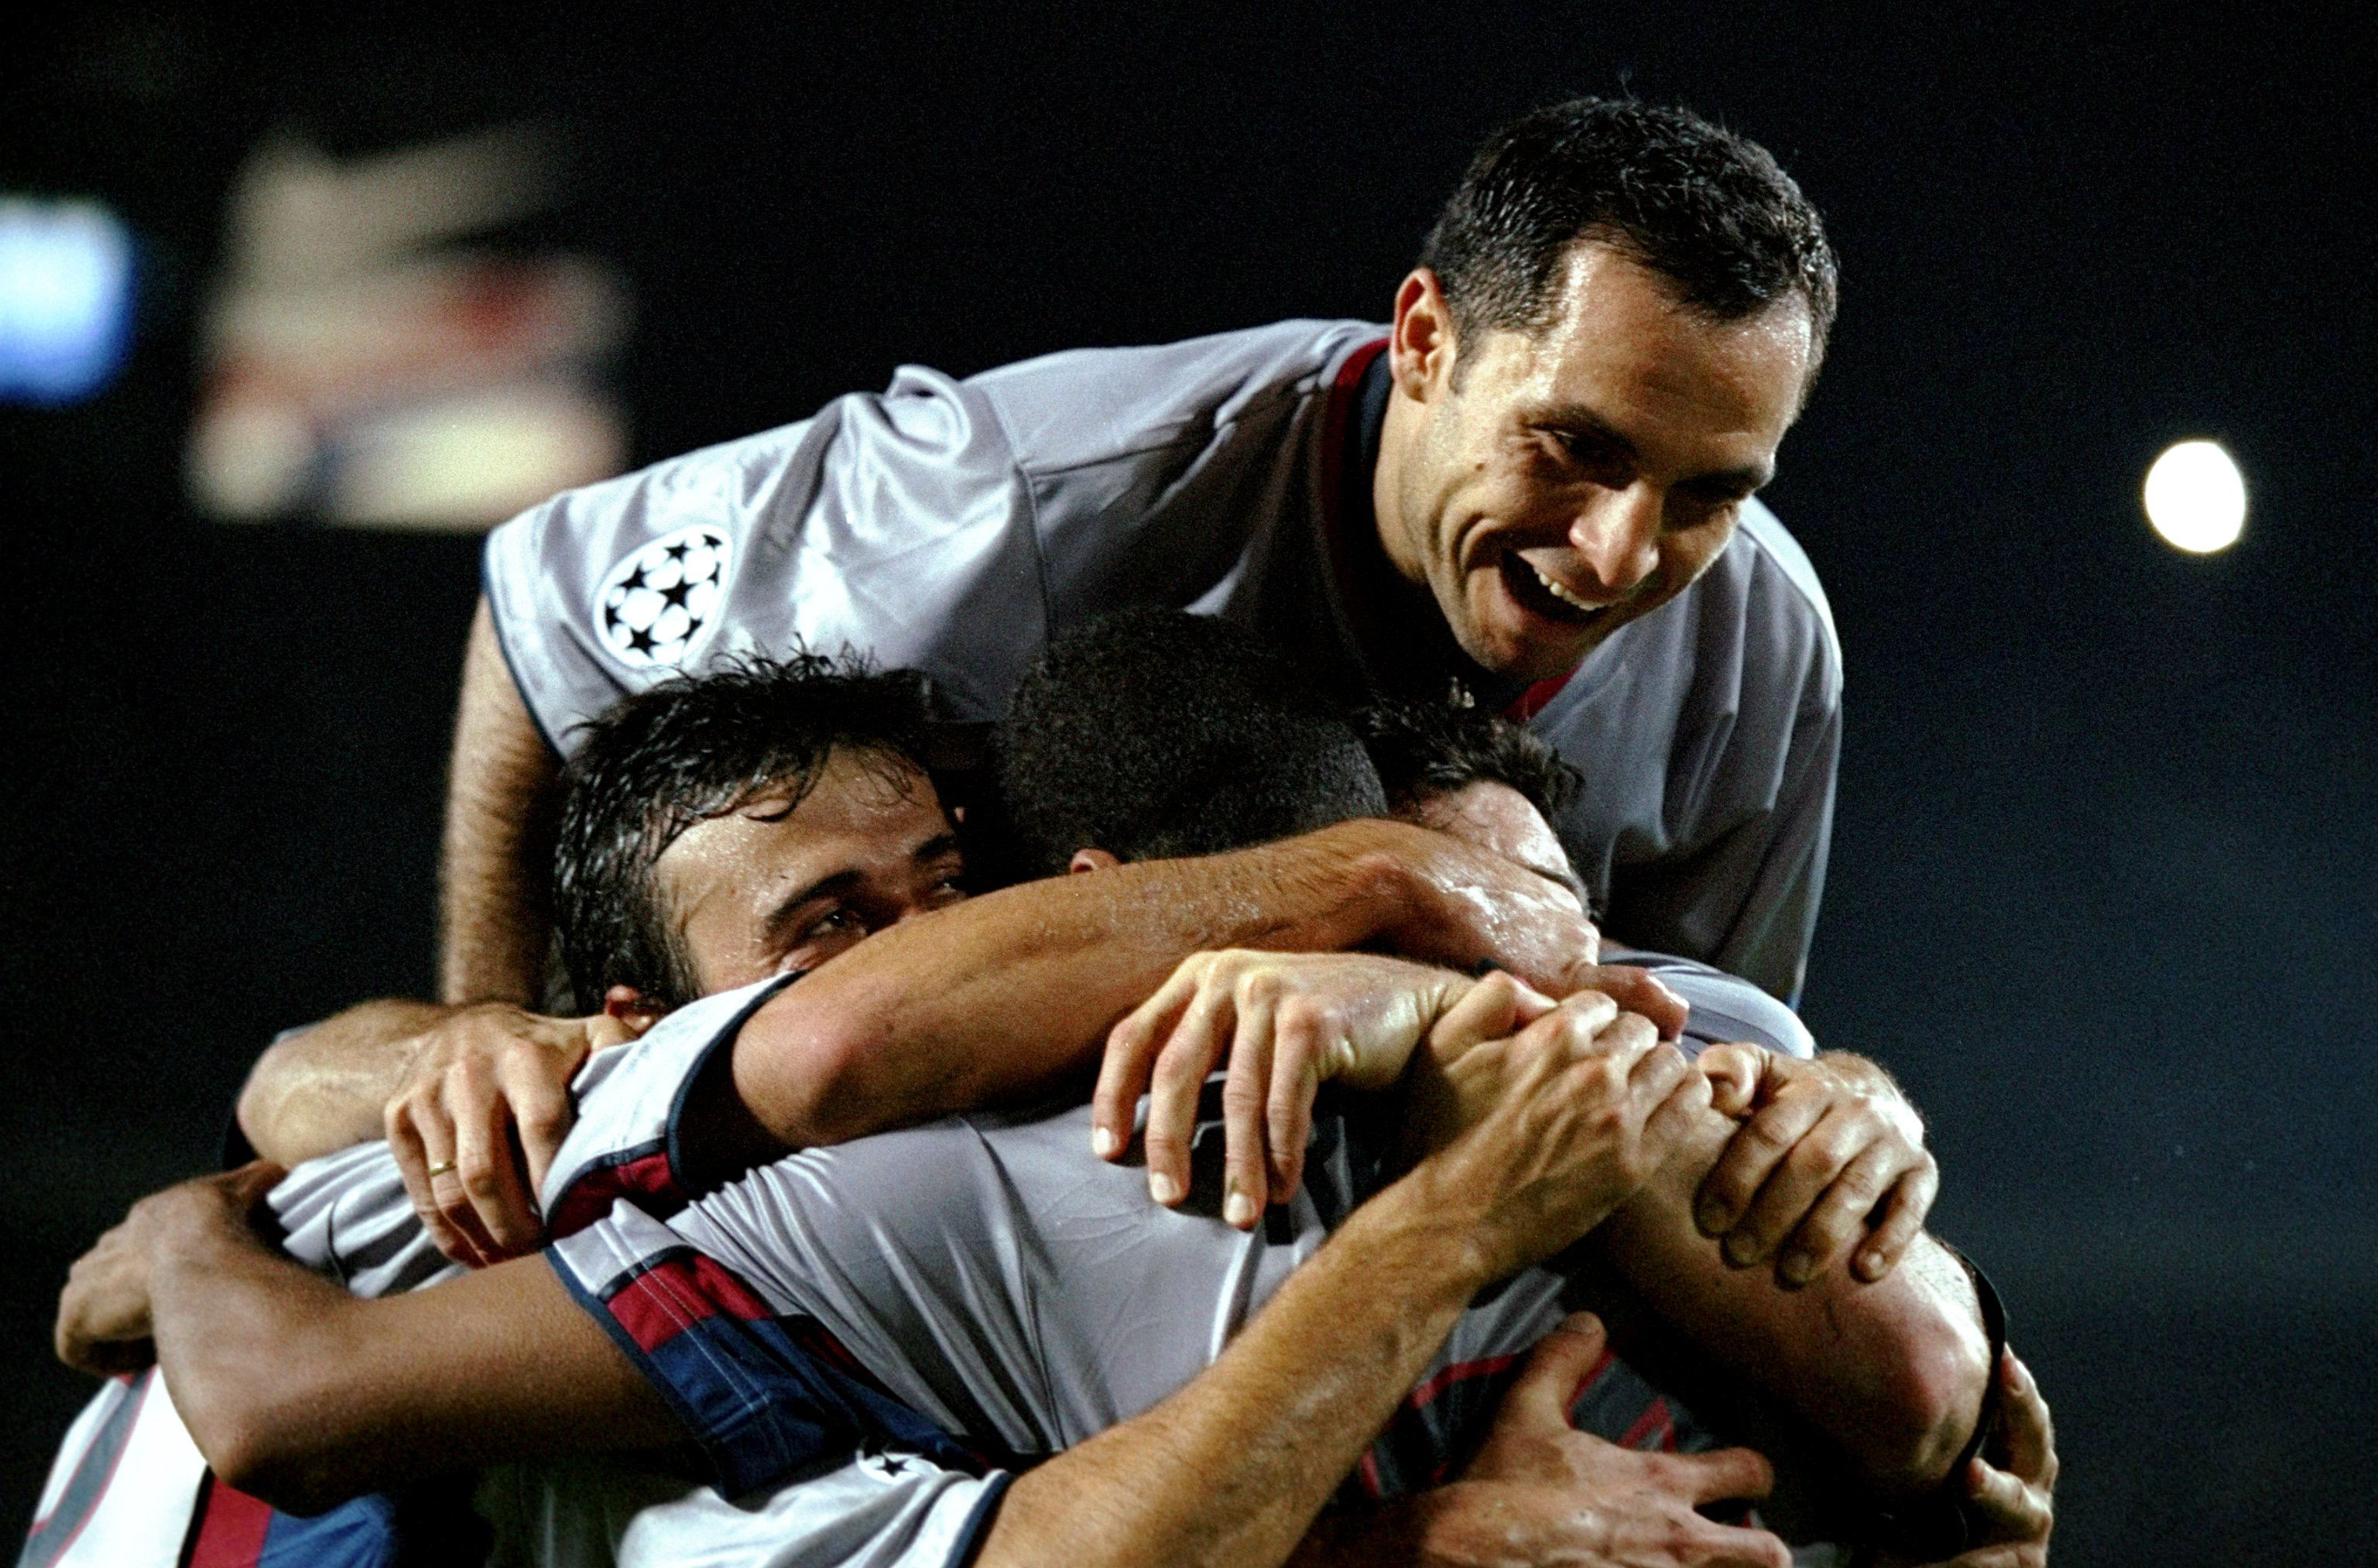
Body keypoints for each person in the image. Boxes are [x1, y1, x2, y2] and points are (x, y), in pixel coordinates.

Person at [53, 621, 2044, 1566]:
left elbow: (1921, 1394)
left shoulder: (1576, 1037)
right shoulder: (763, 1148)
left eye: (950, 894)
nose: (940, 955)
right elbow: (285, 1403)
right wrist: (181, 1224)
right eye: (833, 914)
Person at [338, 95, 1845, 1255]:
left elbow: (1697, 1082)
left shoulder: (1763, 657)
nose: (1619, 551)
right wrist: (495, 1030)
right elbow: (551, 599)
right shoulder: (1033, 498)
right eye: (1574, 447)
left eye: (1711, 490)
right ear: (1428, 339)